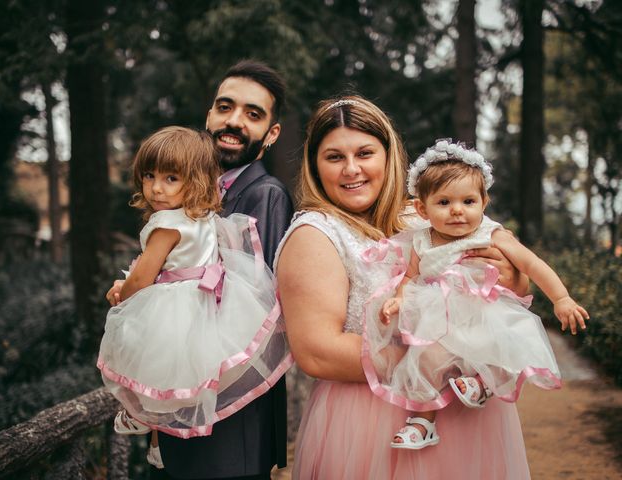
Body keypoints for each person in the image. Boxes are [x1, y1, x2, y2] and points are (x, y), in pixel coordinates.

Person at [276, 96, 532, 479]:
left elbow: (512, 276)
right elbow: (318, 354)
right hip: (372, 422)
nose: (351, 169)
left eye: (365, 153)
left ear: (389, 155)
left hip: (467, 421)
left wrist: (511, 276)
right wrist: (443, 356)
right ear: (315, 164)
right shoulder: (316, 234)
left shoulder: (431, 212)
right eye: (334, 157)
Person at [362, 138, 588, 450]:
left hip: (482, 310)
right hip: (439, 318)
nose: (457, 211)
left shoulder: (490, 234)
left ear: (484, 202)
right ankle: (424, 421)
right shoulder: (422, 241)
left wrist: (561, 298)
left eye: (468, 202)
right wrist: (400, 298)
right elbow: (411, 276)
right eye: (444, 203)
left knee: (497, 345)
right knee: (425, 360)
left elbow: (532, 264)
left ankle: (482, 384)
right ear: (421, 208)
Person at [98, 126, 291, 469]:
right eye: (149, 175)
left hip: (173, 305)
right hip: (204, 307)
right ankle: (159, 436)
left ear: (197, 180)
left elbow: (144, 277)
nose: (156, 188)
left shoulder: (166, 225)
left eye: (171, 178)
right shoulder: (202, 217)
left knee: (146, 357)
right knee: (187, 376)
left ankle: (142, 417)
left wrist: (121, 293)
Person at [152, 60, 293, 480]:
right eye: (225, 107)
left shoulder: (264, 194)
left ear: (271, 134)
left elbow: (257, 310)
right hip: (190, 400)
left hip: (233, 416)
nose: (234, 121)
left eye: (253, 114)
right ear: (209, 116)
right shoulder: (186, 196)